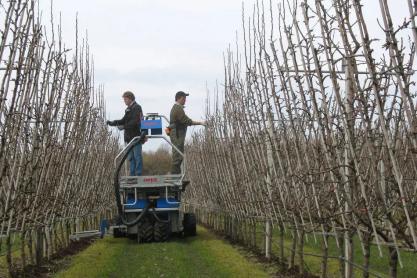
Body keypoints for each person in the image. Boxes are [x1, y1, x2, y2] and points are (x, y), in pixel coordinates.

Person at [107, 91, 143, 176]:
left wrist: (124, 126)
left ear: (130, 98)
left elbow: (135, 122)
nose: (124, 101)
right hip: (128, 138)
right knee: (131, 158)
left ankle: (138, 175)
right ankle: (132, 176)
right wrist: (113, 123)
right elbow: (123, 120)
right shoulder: (128, 109)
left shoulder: (137, 108)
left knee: (137, 157)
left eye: (125, 99)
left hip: (135, 137)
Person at [169, 91, 205, 174]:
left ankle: (176, 175)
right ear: (178, 98)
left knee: (178, 155)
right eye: (183, 98)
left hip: (176, 133)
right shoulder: (178, 108)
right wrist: (200, 123)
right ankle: (175, 176)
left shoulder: (177, 108)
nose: (185, 100)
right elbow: (186, 120)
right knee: (177, 156)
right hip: (177, 134)